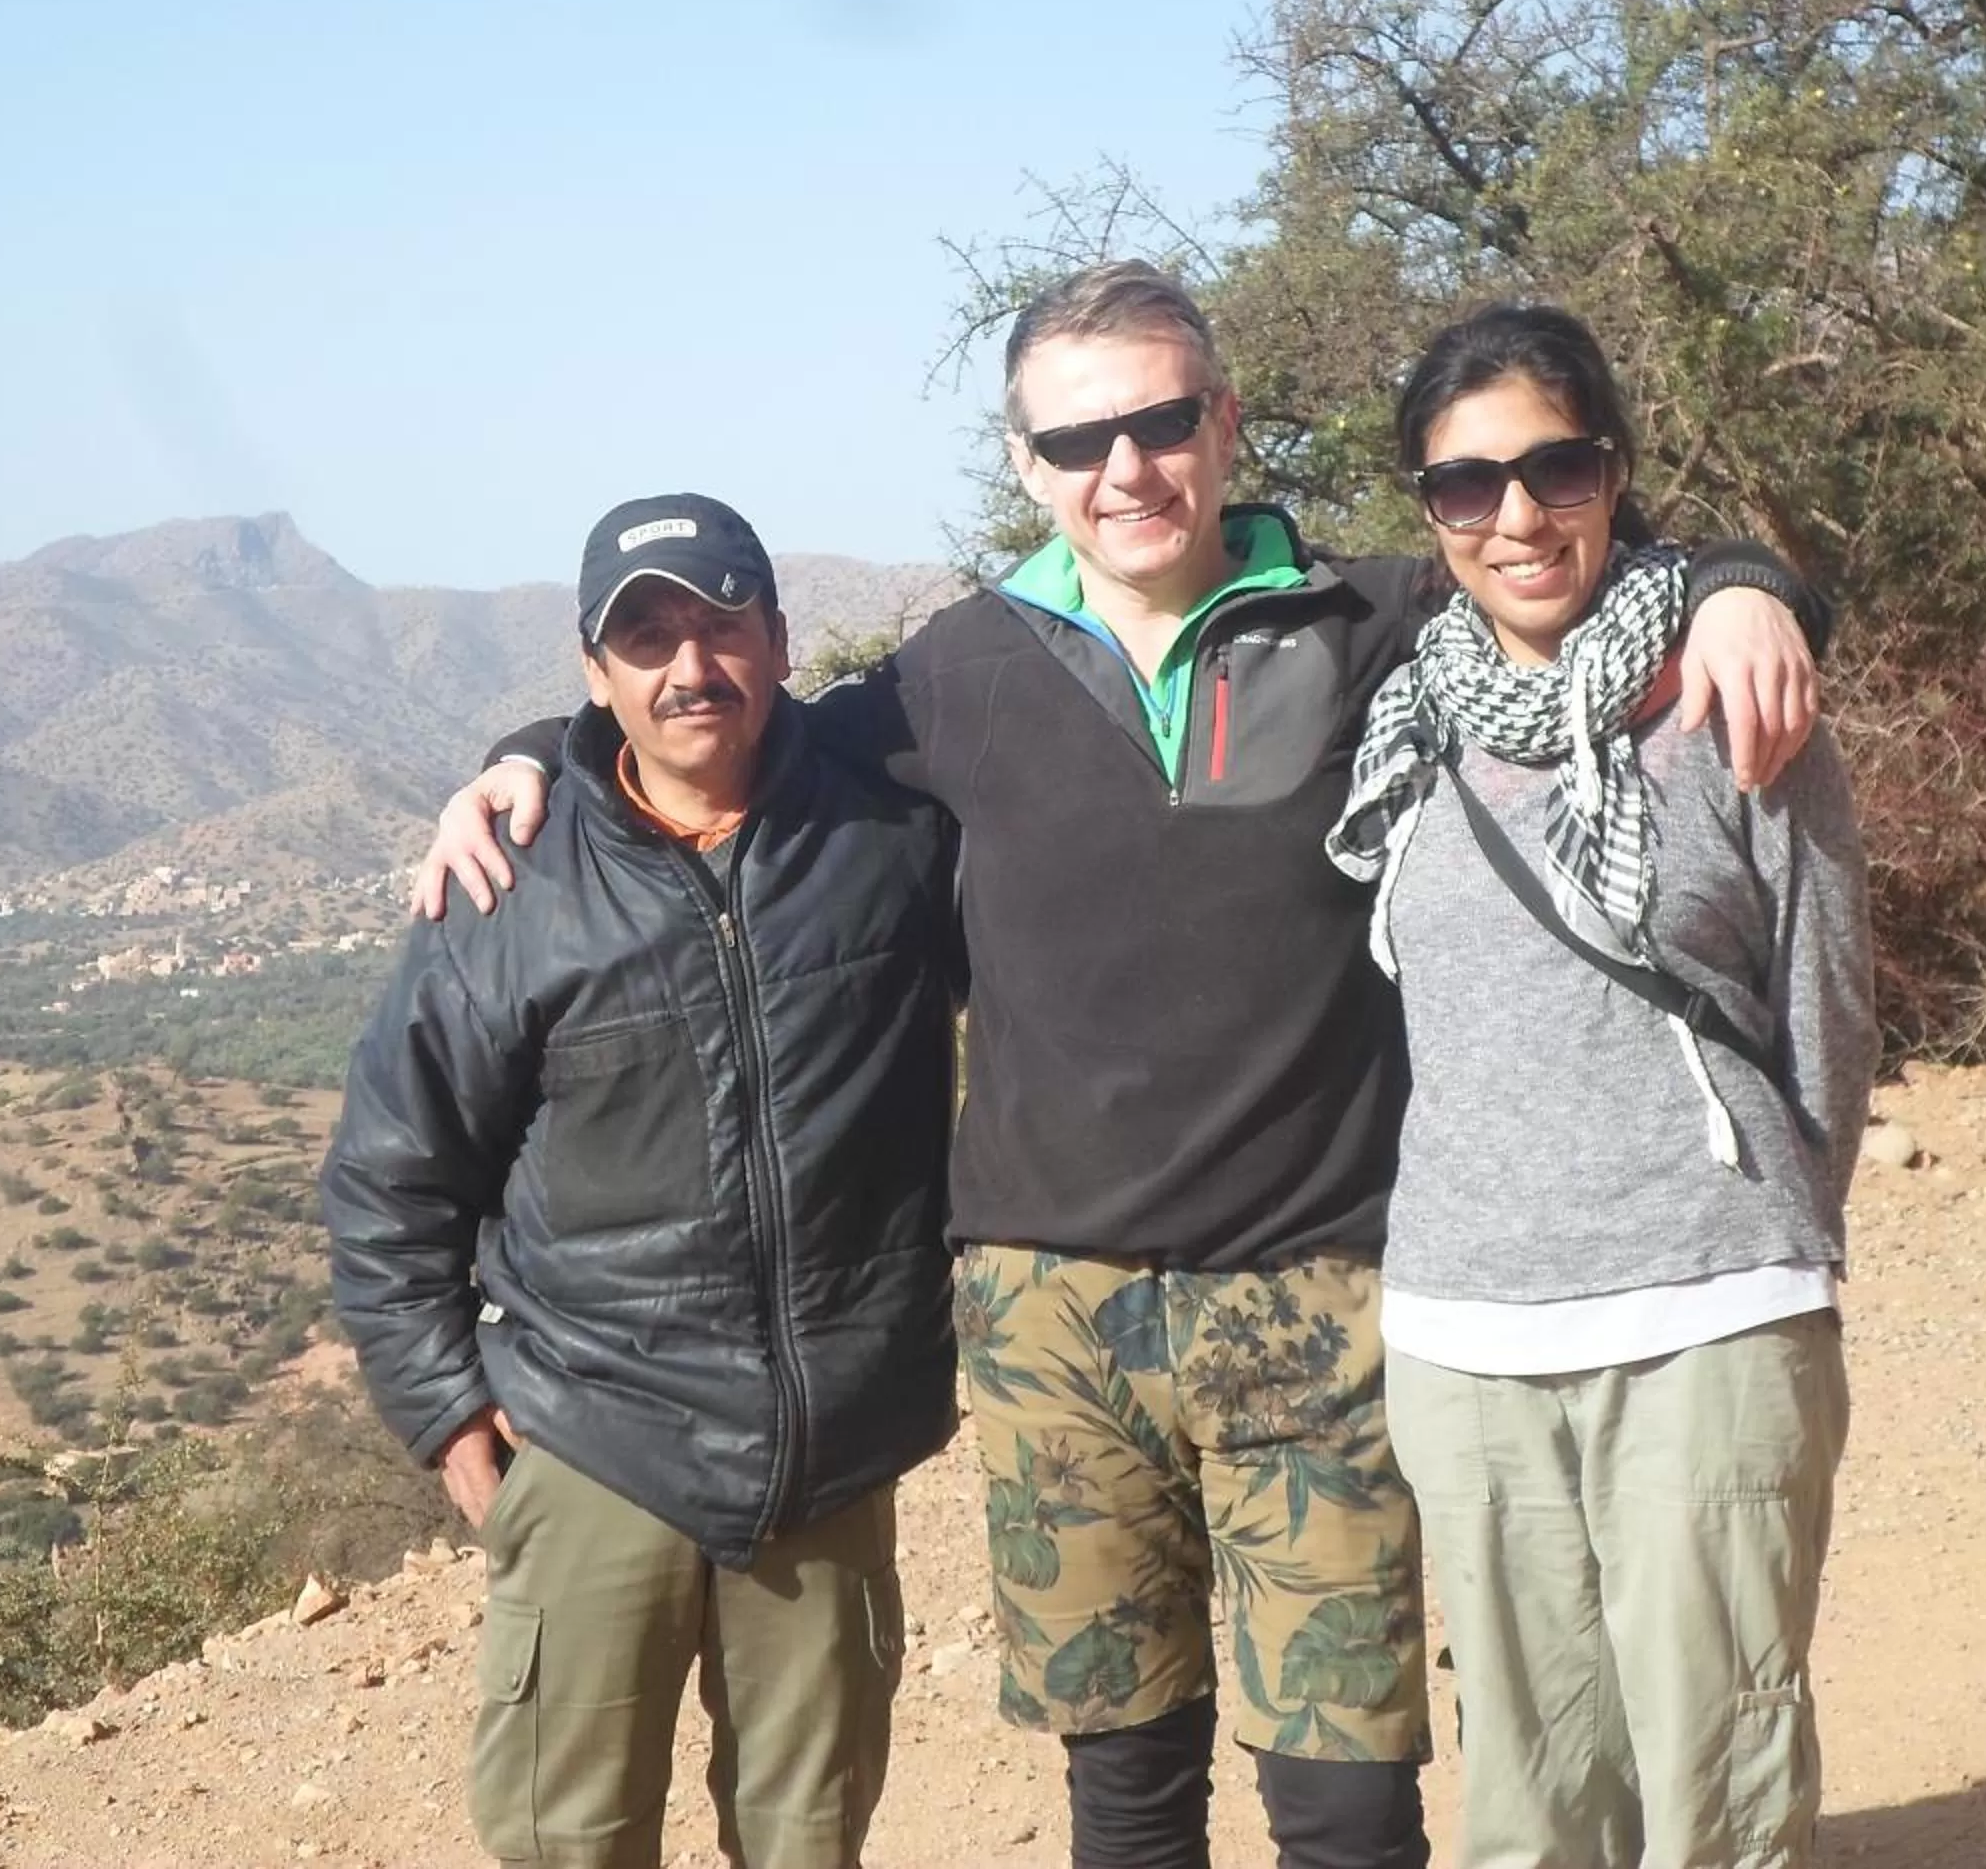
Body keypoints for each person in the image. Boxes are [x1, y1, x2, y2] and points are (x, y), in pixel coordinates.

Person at [417, 263, 1829, 1869]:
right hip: (1051, 1311)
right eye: (1079, 440)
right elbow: (717, 728)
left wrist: (1740, 583)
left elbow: (1569, 567)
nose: (1127, 470)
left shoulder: (1374, 621)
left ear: (1224, 425)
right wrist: (520, 761)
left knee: (1351, 1795)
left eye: (1162, 422)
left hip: (1325, 1290)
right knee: (1128, 1783)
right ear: (1026, 466)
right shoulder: (963, 671)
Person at [322, 493, 963, 1869]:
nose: (690, 665)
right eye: (647, 634)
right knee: (572, 1838)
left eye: (721, 621)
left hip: (832, 1445)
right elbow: (391, 1174)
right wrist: (444, 1408)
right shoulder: (512, 887)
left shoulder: (891, 836)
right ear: (593, 669)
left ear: (779, 638)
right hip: (595, 1434)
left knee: (809, 1840)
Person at [1325, 304, 1873, 1869]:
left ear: (1616, 472)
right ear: (1427, 512)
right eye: (1465, 484)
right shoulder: (1405, 725)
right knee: (1531, 1784)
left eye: (1555, 467)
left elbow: (1825, 1003)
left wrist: (1775, 1234)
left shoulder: (1732, 703)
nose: (1516, 514)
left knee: (1720, 1776)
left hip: (1702, 1310)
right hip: (1466, 1330)